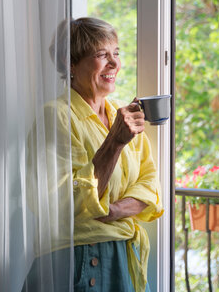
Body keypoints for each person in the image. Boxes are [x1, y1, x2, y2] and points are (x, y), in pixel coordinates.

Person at [25, 17, 163, 292]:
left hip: (124, 255)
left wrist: (114, 211)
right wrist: (114, 142)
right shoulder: (57, 117)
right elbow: (64, 203)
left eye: (116, 53)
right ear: (70, 64)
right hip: (81, 259)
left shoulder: (120, 115)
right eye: (102, 55)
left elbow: (150, 185)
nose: (114, 64)